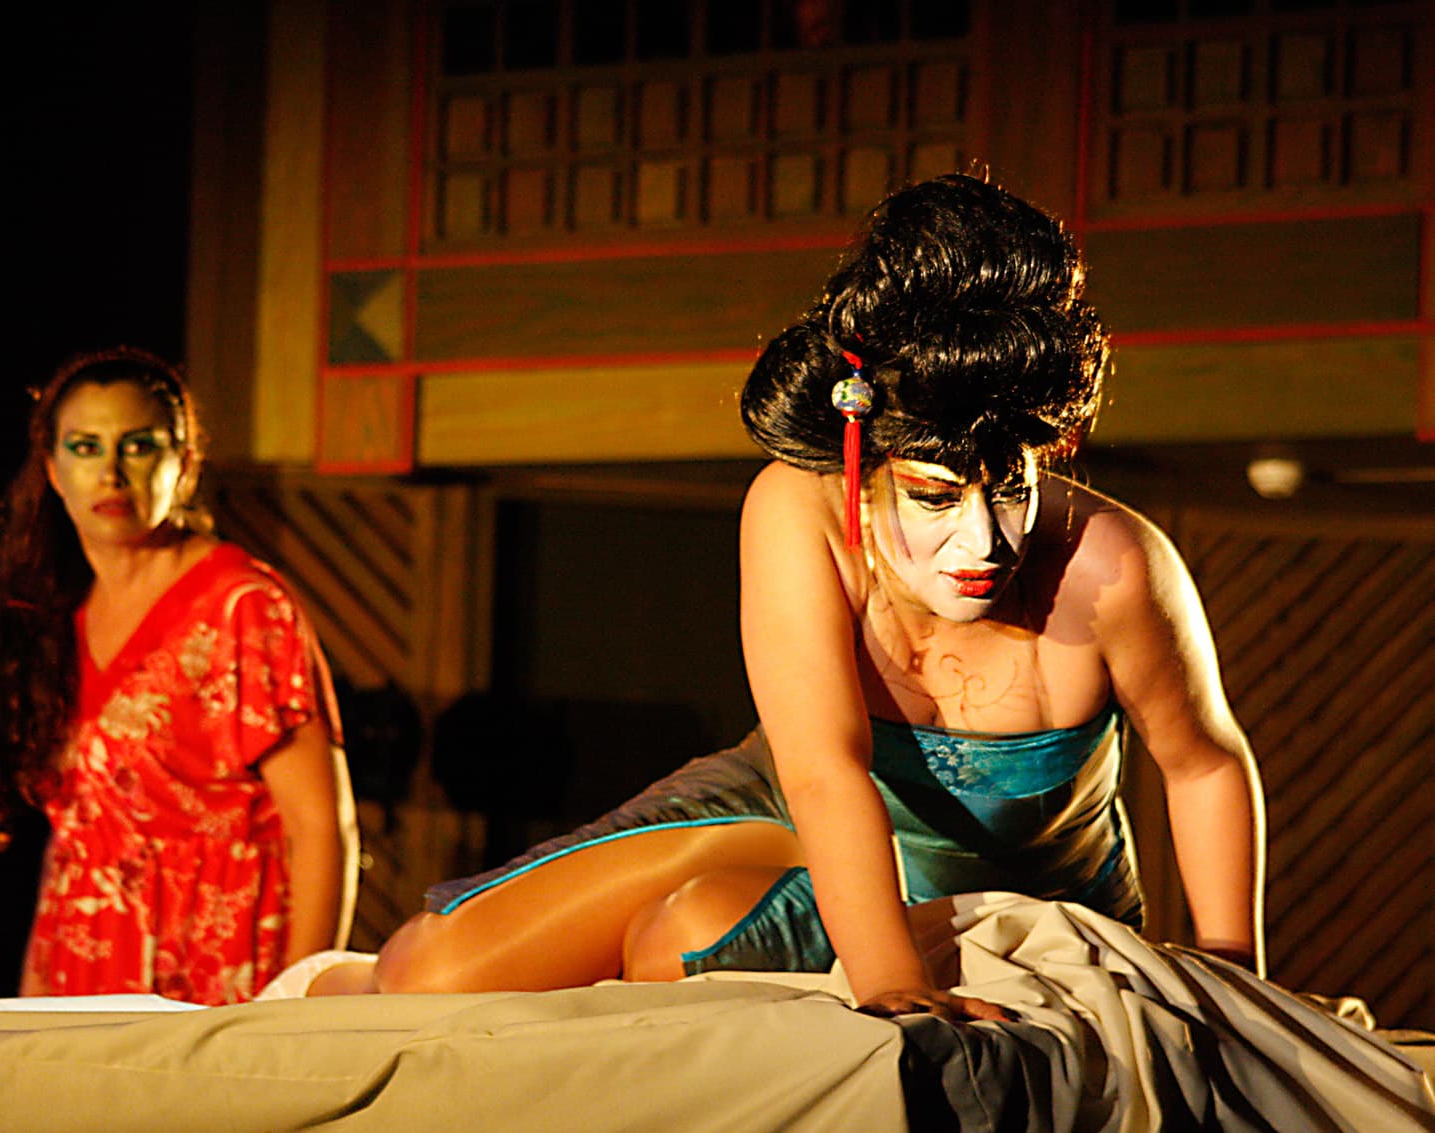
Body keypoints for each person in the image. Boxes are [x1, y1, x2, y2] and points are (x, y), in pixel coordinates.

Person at [303, 173, 1264, 1020]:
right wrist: (890, 980)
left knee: (682, 938)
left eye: (1010, 485)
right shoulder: (796, 508)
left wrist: (1236, 980)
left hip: (1006, 883)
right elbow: (822, 771)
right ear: (859, 467)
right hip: (791, 807)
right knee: (425, 971)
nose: (984, 541)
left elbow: (1205, 766)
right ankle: (314, 996)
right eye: (935, 496)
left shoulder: (1113, 564)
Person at [0, 346, 357, 1005]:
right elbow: (79, 840)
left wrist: (299, 1006)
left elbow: (320, 826)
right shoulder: (55, 615)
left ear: (185, 463)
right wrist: (34, 1000)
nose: (111, 473)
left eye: (138, 446)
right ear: (53, 470)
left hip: (216, 967)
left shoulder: (240, 605)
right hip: (84, 966)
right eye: (86, 447)